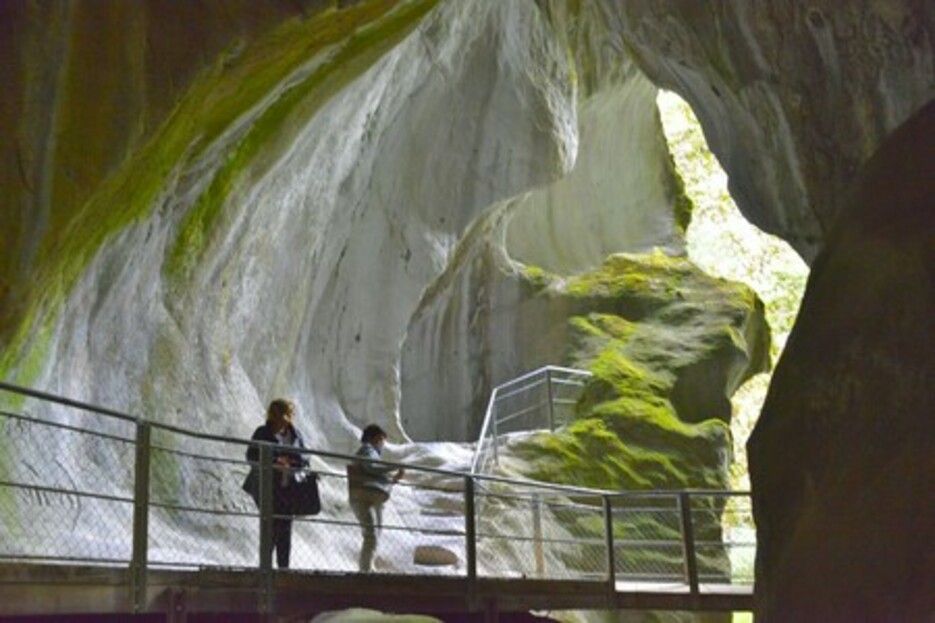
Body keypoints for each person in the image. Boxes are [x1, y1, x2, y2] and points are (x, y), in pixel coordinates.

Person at [245, 399, 308, 569]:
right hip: (268, 487)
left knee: (285, 532)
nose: (281, 419)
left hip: (288, 488)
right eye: (277, 415)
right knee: (269, 530)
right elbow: (251, 455)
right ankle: (265, 570)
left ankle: (283, 570)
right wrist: (274, 461)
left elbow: (305, 458)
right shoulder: (262, 432)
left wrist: (292, 463)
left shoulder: (296, 434)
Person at [349, 424, 404, 572]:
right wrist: (393, 466)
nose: (382, 445)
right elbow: (370, 468)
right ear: (374, 438)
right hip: (365, 497)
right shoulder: (368, 449)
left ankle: (367, 568)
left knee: (373, 535)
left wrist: (393, 479)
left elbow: (375, 476)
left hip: (366, 497)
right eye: (381, 440)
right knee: (371, 536)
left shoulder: (370, 453)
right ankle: (365, 572)